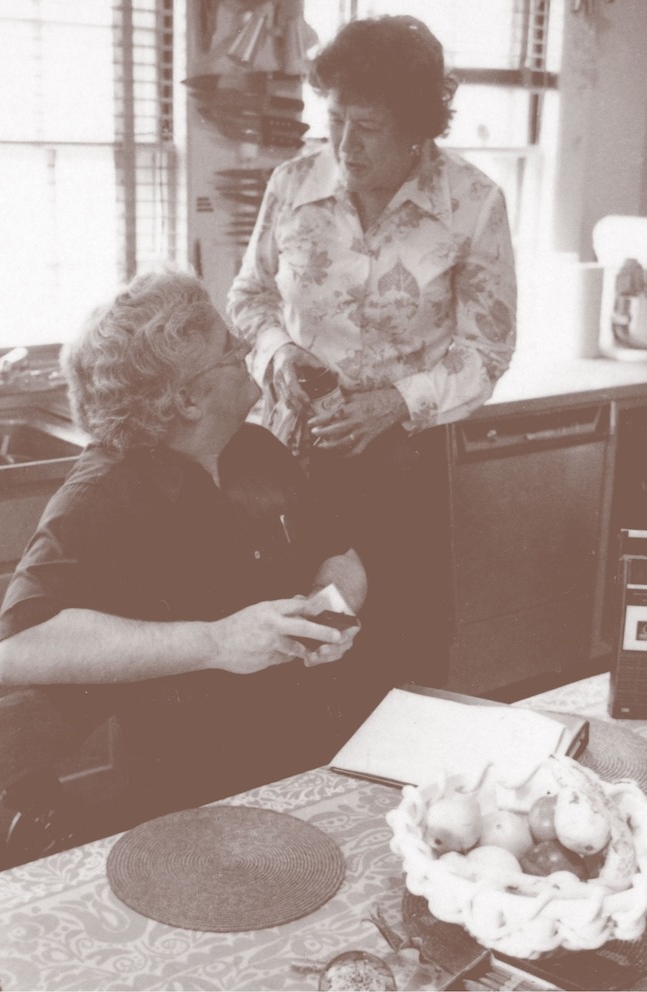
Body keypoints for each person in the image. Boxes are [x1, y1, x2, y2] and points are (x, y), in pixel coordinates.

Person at [0, 268, 366, 824]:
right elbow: (17, 649)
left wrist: (328, 612)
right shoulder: (103, 493)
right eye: (227, 348)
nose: (246, 347)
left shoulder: (256, 447)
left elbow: (340, 557)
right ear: (188, 399)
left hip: (312, 755)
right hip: (191, 795)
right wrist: (215, 642)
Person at [228, 15, 517, 703]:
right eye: (334, 120)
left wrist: (395, 402)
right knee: (293, 655)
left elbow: (489, 347)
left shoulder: (471, 204)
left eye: (370, 127)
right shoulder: (293, 184)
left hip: (401, 465)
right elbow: (248, 296)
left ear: (417, 124)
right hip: (288, 459)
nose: (346, 145)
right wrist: (278, 356)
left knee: (396, 656)